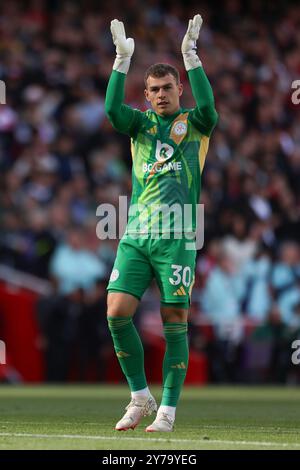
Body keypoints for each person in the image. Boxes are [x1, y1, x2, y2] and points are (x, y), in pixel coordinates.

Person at [105, 15, 218, 432]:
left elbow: (208, 107)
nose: (159, 95)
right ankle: (140, 397)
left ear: (178, 89)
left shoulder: (196, 126)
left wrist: (190, 56)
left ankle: (168, 411)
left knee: (175, 320)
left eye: (167, 87)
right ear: (147, 95)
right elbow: (112, 110)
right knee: (116, 312)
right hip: (136, 235)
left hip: (177, 237)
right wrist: (121, 61)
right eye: (152, 89)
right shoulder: (139, 125)